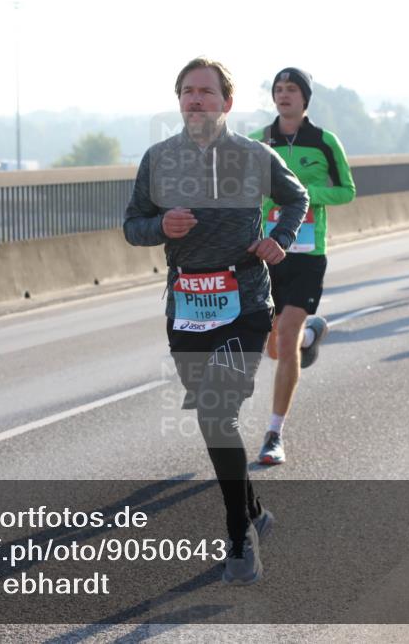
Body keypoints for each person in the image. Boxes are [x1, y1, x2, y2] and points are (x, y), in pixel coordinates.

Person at [123, 57, 309, 585]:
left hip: (245, 301)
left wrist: (280, 240)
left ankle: (238, 540)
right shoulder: (158, 159)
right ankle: (254, 512)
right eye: (187, 91)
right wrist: (161, 224)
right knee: (214, 419)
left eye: (206, 91)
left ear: (227, 103)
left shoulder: (253, 155)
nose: (196, 100)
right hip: (185, 304)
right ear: (178, 101)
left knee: (214, 411)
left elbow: (297, 197)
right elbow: (131, 227)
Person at [248, 67, 355, 466]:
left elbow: (348, 190)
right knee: (273, 345)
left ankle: (273, 433)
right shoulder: (259, 142)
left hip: (308, 254)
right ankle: (311, 336)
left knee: (286, 337)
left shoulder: (325, 142)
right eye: (278, 89)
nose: (284, 94)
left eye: (292, 89)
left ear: (305, 97)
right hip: (268, 251)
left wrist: (307, 194)